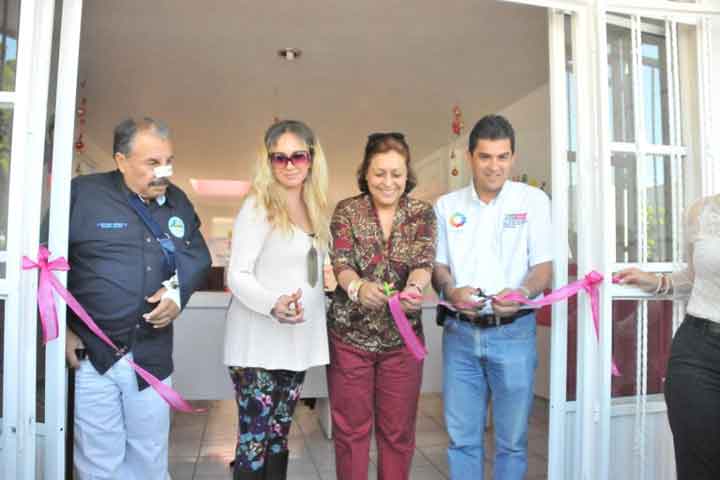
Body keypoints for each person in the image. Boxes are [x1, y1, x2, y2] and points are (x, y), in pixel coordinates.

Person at [64, 117, 211, 479]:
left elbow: (197, 256)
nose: (164, 171)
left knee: (149, 456)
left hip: (151, 355)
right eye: (153, 162)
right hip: (91, 355)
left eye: (168, 161)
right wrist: (61, 330)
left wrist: (176, 293)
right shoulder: (82, 195)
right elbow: (43, 263)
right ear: (121, 160)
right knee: (99, 461)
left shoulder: (177, 201)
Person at [432, 114, 552, 480]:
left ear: (513, 157)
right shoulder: (446, 206)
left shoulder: (534, 201)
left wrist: (522, 292)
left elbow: (543, 268)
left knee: (512, 442)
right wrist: (451, 290)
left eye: (502, 156)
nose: (494, 166)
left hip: (514, 334)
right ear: (470, 156)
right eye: (485, 156)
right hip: (460, 336)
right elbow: (438, 267)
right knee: (462, 441)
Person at [223, 120, 330, 480]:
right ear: (268, 162)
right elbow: (237, 275)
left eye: (298, 156)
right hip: (257, 346)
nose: (289, 165)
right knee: (255, 441)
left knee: (279, 437)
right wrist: (273, 303)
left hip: (294, 344)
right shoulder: (258, 206)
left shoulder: (314, 207)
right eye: (279, 157)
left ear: (311, 158)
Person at [328, 132, 437, 480]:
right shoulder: (348, 210)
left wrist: (414, 288)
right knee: (351, 433)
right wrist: (358, 288)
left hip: (402, 343)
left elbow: (423, 262)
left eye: (396, 174)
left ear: (407, 175)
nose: (388, 182)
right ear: (366, 173)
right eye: (379, 173)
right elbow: (342, 263)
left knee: (398, 434)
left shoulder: (421, 213)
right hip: (350, 339)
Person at [615, 194, 720, 480]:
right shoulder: (702, 212)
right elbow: (694, 276)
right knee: (698, 467)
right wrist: (658, 282)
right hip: (698, 353)